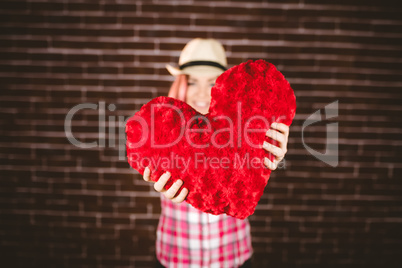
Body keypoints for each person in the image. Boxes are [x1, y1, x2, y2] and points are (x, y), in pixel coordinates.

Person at [142, 38, 290, 268]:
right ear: (180, 85)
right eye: (192, 82)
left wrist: (269, 156)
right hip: (177, 256)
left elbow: (251, 176)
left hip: (232, 255)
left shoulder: (245, 126)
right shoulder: (162, 129)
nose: (201, 93)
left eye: (211, 82)